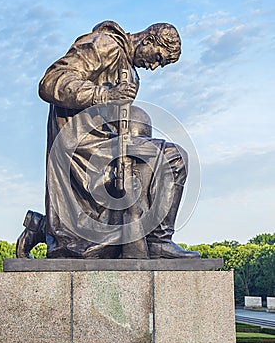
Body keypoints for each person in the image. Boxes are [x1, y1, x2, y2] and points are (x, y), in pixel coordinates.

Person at [16, 21, 199, 259]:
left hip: (106, 142)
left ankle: (44, 228)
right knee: (173, 158)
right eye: (157, 58)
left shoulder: (130, 73)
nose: (153, 66)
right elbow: (52, 81)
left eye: (160, 64)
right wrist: (104, 95)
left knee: (148, 169)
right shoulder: (104, 44)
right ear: (148, 40)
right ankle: (158, 241)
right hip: (83, 145)